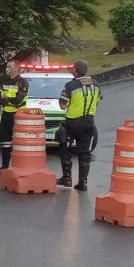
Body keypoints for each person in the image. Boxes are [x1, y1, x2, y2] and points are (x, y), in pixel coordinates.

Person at [56, 59, 102, 191]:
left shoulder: (71, 86)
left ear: (75, 70)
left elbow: (62, 105)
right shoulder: (96, 84)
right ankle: (83, 183)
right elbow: (98, 102)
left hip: (73, 123)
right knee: (84, 153)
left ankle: (67, 178)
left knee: (65, 149)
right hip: (89, 122)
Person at [0, 61, 30, 175]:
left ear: (17, 69)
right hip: (5, 115)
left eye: (10, 67)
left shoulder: (22, 82)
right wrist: (8, 99)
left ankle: (20, 168)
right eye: (7, 66)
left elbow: (18, 101)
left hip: (18, 116)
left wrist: (6, 98)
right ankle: (4, 168)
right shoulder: (5, 82)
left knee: (19, 144)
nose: (7, 68)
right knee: (5, 143)